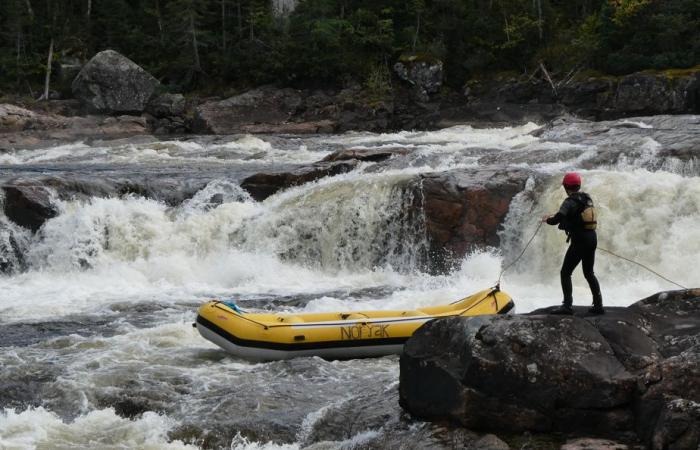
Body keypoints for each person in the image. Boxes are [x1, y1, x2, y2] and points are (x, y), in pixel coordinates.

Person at [542, 172, 604, 315]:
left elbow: (557, 219)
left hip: (580, 241)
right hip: (592, 238)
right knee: (589, 273)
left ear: (566, 187)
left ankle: (567, 306)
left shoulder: (569, 201)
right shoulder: (587, 198)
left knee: (565, 272)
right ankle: (598, 305)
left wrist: (547, 220)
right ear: (578, 185)